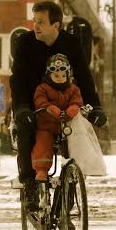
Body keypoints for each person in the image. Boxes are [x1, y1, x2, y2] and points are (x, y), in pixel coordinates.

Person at [9, 1, 107, 205]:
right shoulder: (25, 43)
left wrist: (95, 106)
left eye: (41, 22)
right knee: (26, 130)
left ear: (56, 25)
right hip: (32, 105)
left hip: (65, 106)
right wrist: (20, 108)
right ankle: (29, 185)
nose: (35, 26)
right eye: (34, 21)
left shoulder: (71, 43)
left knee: (76, 135)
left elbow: (84, 76)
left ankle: (68, 201)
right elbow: (17, 79)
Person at [31, 53, 83, 182]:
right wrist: (50, 108)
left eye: (63, 75)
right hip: (47, 124)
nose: (60, 78)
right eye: (56, 76)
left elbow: (77, 101)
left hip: (66, 125)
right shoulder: (42, 88)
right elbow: (40, 101)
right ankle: (42, 169)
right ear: (49, 75)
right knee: (43, 141)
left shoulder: (73, 89)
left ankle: (80, 165)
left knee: (79, 137)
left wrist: (73, 109)